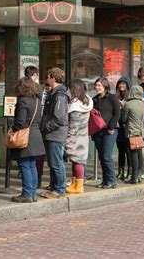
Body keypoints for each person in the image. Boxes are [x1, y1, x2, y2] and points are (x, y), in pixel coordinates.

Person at [9, 77, 45, 202]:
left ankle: (27, 194)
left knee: (24, 165)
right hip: (36, 135)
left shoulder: (22, 101)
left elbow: (20, 122)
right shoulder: (37, 101)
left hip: (25, 136)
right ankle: (32, 193)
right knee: (32, 165)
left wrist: (12, 128)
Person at [39, 67, 70, 198]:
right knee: (53, 163)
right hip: (52, 133)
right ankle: (54, 187)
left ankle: (60, 189)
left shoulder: (60, 95)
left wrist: (45, 127)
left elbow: (59, 118)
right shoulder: (54, 93)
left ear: (53, 78)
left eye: (48, 77)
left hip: (55, 134)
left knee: (56, 163)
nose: (47, 79)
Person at [65, 79, 93, 194]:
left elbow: (73, 127)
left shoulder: (75, 105)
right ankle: (74, 183)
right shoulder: (86, 101)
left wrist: (68, 139)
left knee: (77, 162)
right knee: (77, 161)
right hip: (83, 136)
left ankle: (79, 186)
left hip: (76, 139)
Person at [92, 77, 120, 189]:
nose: (97, 87)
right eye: (96, 85)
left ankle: (111, 180)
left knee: (106, 155)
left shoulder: (112, 98)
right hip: (98, 131)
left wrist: (111, 127)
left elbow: (117, 113)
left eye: (99, 85)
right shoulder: (94, 99)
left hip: (110, 130)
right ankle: (105, 180)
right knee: (101, 157)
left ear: (105, 86)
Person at [24, 65, 45, 188]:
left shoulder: (22, 86)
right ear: (35, 75)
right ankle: (34, 186)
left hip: (27, 126)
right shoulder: (38, 88)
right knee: (33, 161)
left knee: (27, 162)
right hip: (36, 125)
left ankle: (29, 189)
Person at [121, 85, 144, 184]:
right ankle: (139, 175)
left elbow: (124, 119)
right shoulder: (143, 104)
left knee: (133, 155)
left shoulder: (128, 104)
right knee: (139, 153)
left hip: (131, 132)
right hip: (140, 132)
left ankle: (134, 177)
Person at [115, 76, 132, 181]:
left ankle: (129, 172)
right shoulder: (116, 96)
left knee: (128, 150)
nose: (121, 85)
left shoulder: (130, 97)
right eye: (120, 84)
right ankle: (120, 171)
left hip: (127, 126)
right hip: (119, 127)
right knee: (120, 150)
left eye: (124, 84)